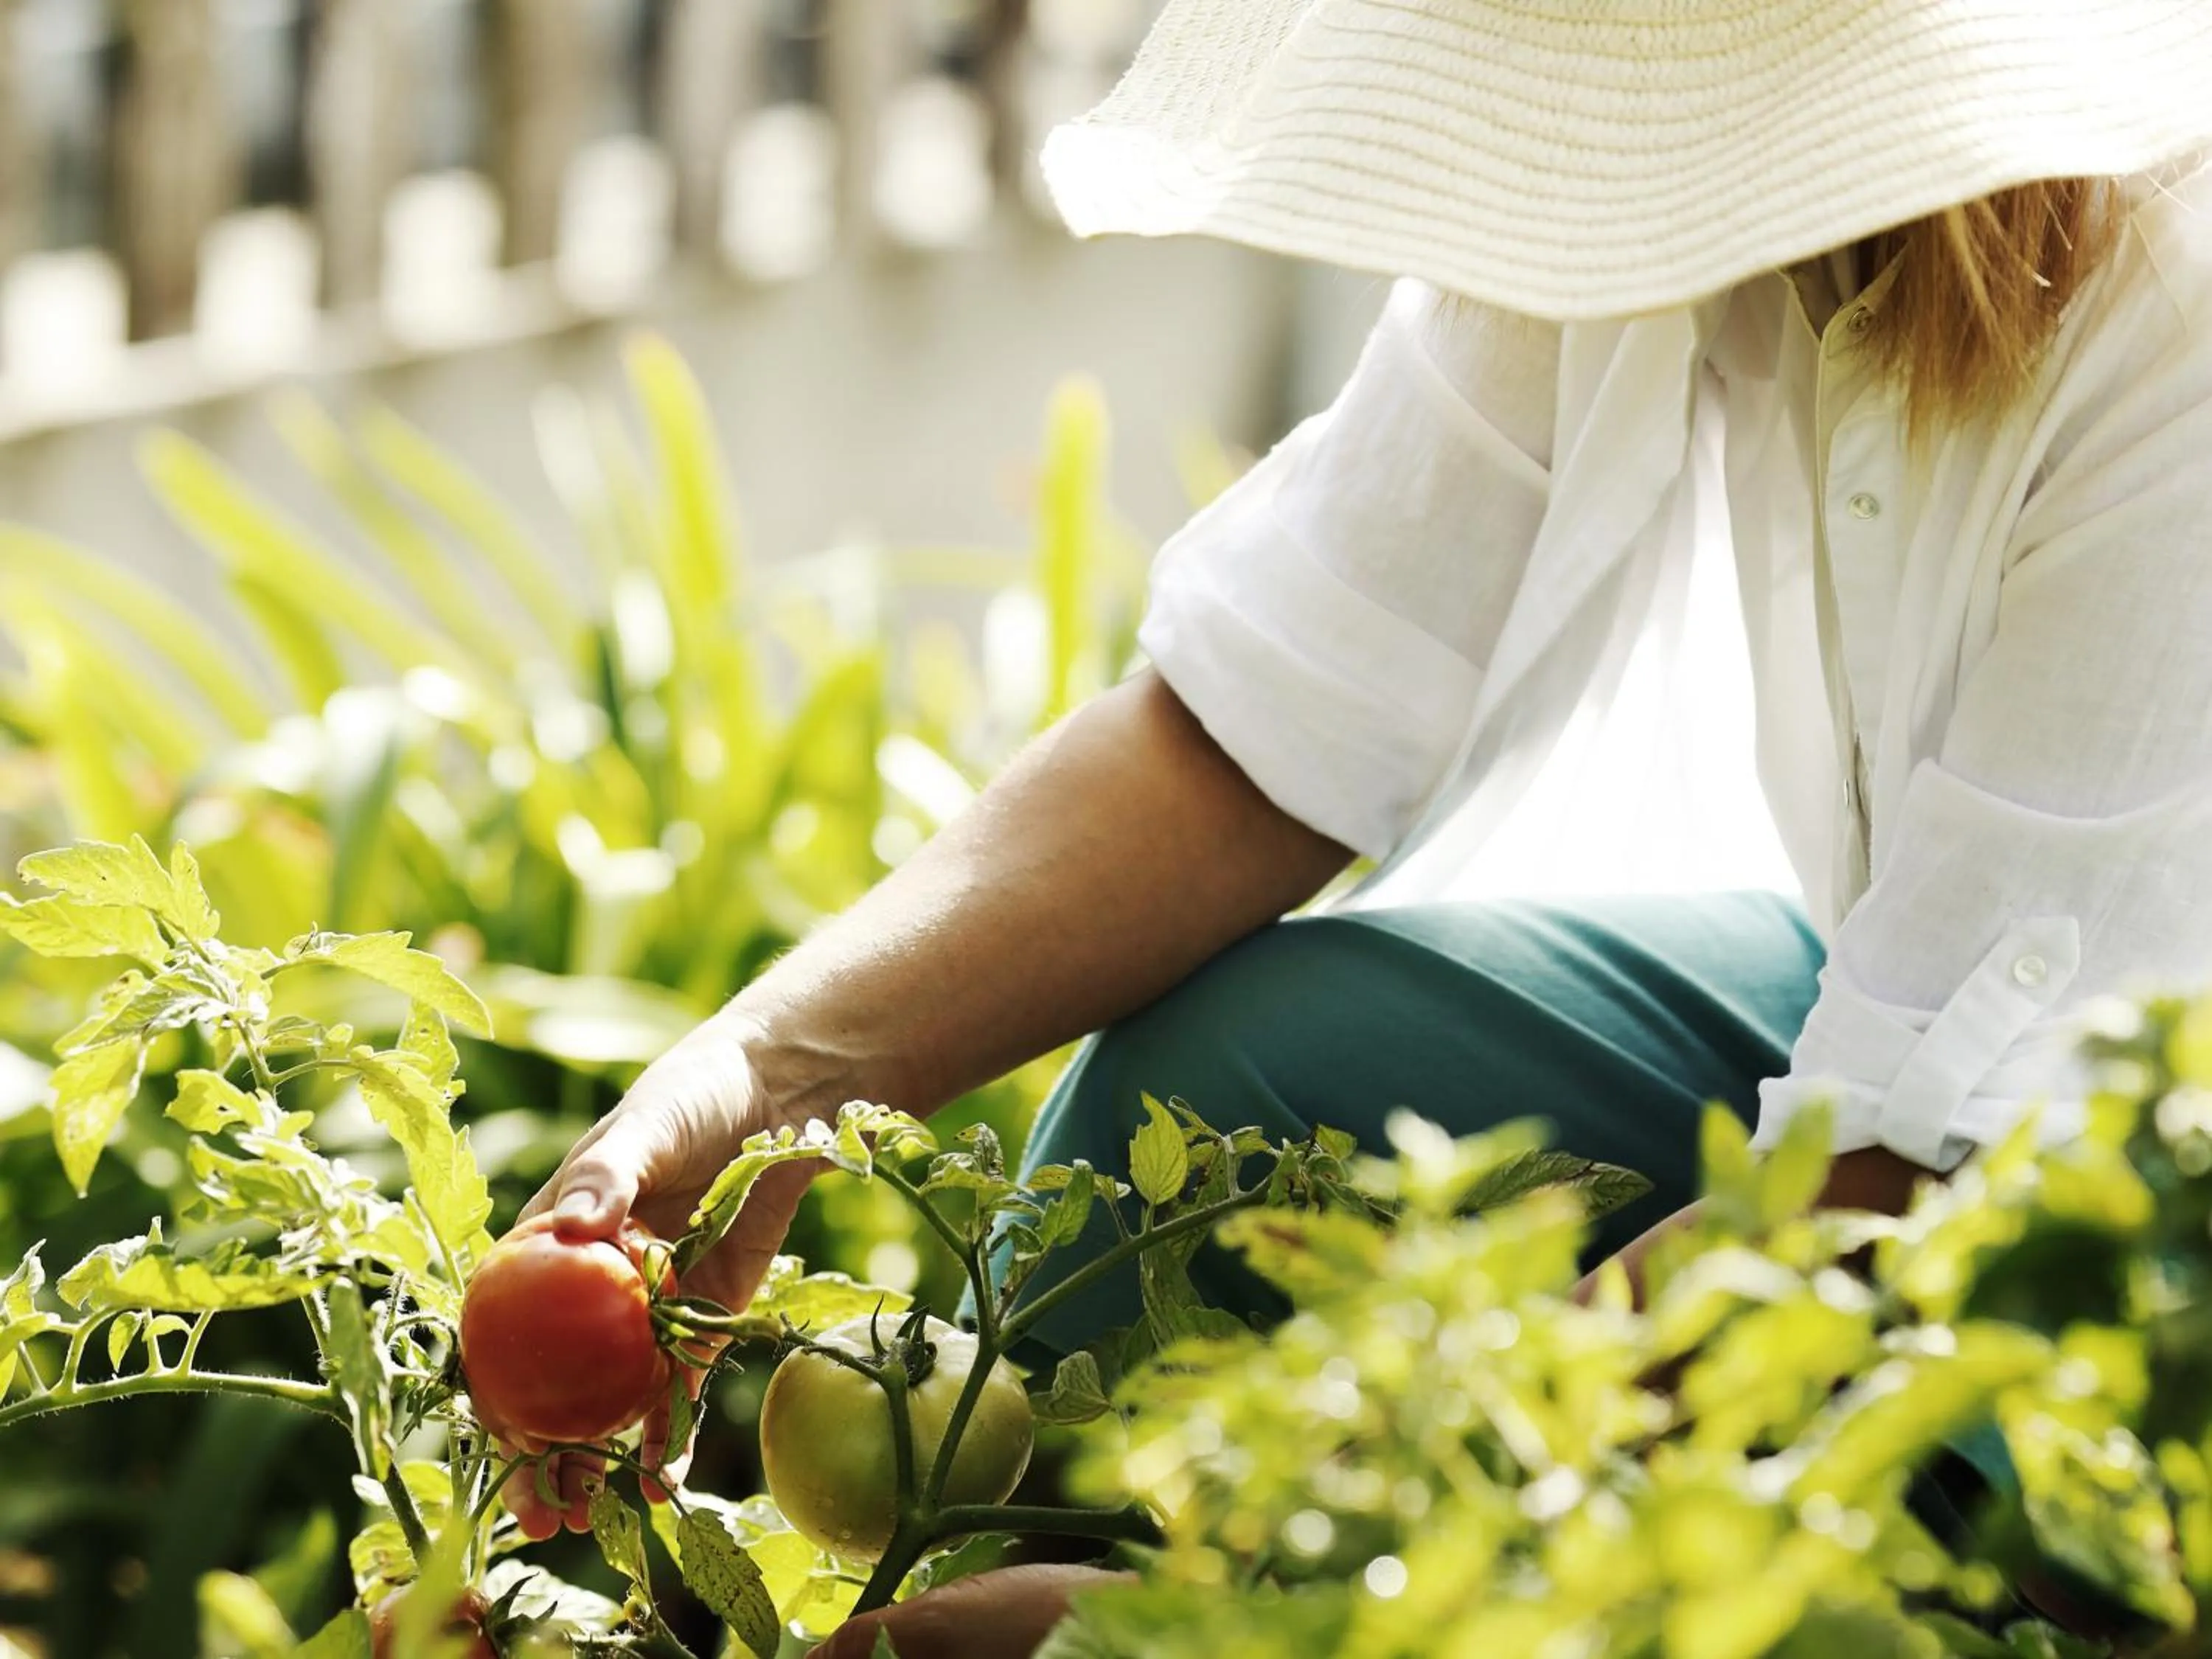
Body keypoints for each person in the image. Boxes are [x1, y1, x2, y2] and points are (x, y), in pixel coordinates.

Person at [516, 1, 2212, 1650]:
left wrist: (1270, 1607)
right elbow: (1255, 724)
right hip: (1930, 1055)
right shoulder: (1647, 125)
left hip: (2123, 1209)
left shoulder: (2176, 287)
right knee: (1236, 1086)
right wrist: (767, 1079)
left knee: (1975, 1515)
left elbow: (1908, 1189)